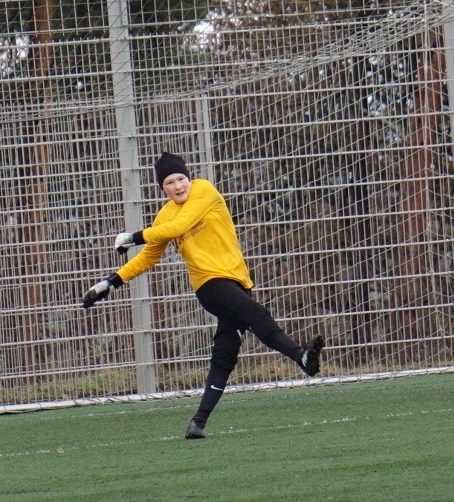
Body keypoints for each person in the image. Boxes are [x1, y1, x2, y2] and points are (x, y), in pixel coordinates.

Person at [82, 152, 325, 439]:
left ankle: (198, 422)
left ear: (189, 178)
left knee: (225, 354)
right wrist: (111, 282)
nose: (177, 186)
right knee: (256, 315)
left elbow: (179, 227)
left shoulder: (204, 190)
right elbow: (149, 256)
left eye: (181, 178)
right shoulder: (164, 216)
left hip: (238, 281)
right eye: (169, 182)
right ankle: (301, 356)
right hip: (209, 285)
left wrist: (132, 237)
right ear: (162, 188)